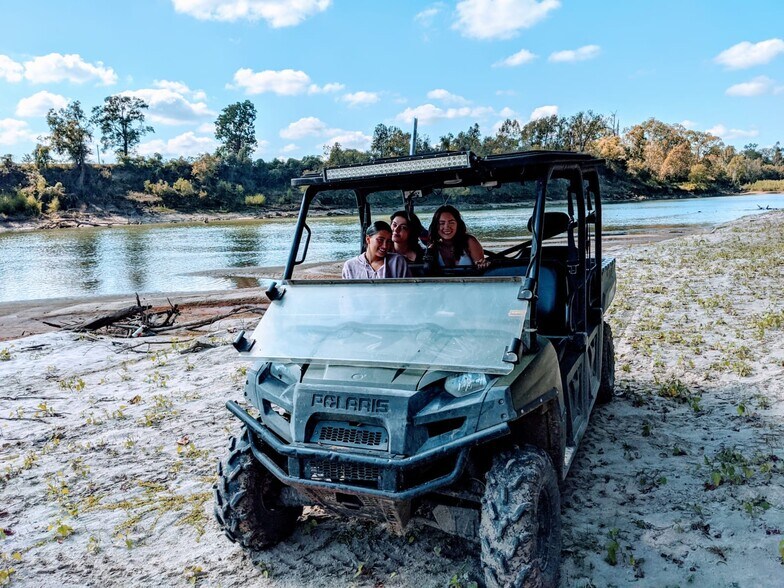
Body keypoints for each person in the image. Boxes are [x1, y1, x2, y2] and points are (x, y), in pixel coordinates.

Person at [427, 205, 489, 269]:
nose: (446, 227)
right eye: (442, 223)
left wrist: (482, 264)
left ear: (458, 224)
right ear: (435, 226)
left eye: (451, 223)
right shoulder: (432, 247)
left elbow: (481, 268)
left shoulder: (469, 242)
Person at [342, 220, 410, 279]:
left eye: (388, 241)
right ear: (368, 239)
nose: (385, 246)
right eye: (380, 240)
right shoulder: (350, 266)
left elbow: (406, 290)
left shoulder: (397, 262)